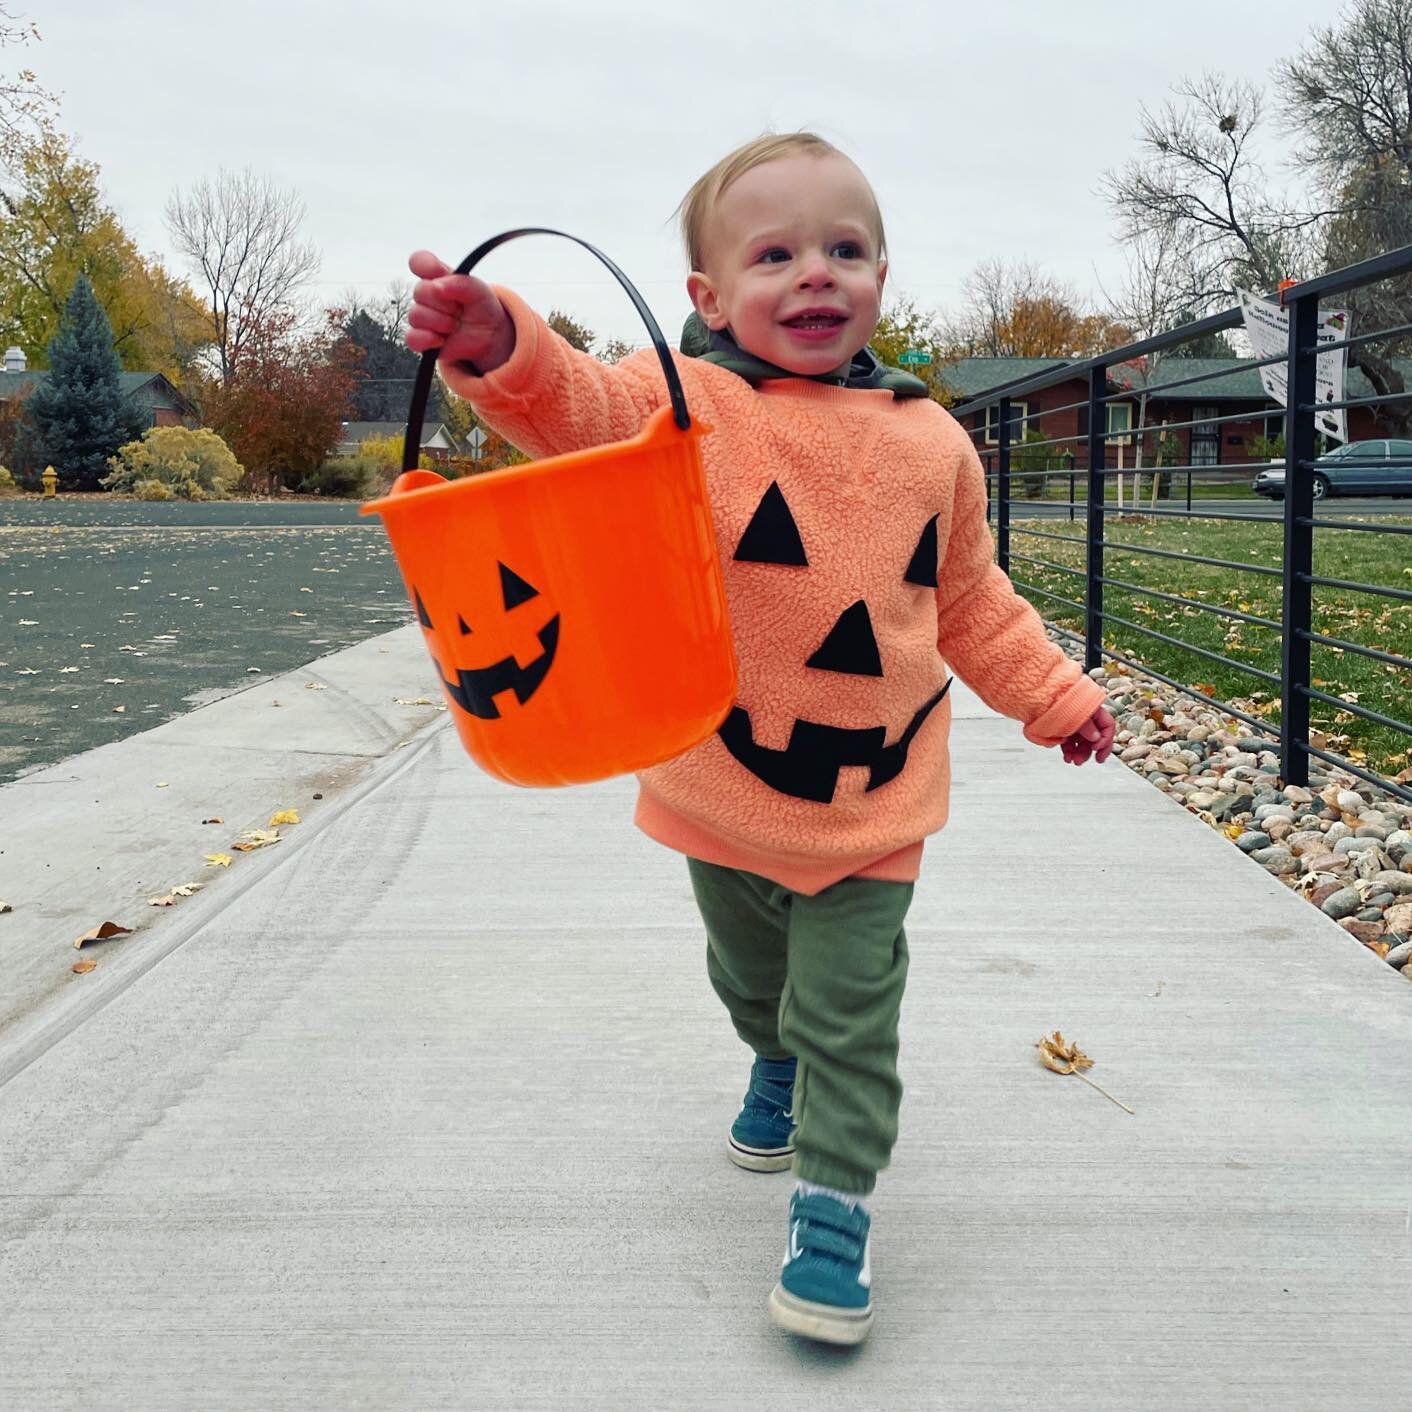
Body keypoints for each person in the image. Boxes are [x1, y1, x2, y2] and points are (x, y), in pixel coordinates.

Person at [405, 131, 1115, 1347]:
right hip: (718, 786)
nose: (812, 276)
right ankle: (769, 1061)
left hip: (872, 800)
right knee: (752, 987)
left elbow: (969, 603)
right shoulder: (689, 407)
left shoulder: (932, 445)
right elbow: (572, 405)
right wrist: (495, 341)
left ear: (881, 277)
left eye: (843, 249)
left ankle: (833, 1206)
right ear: (707, 297)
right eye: (774, 253)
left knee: (849, 1012)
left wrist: (1052, 693)